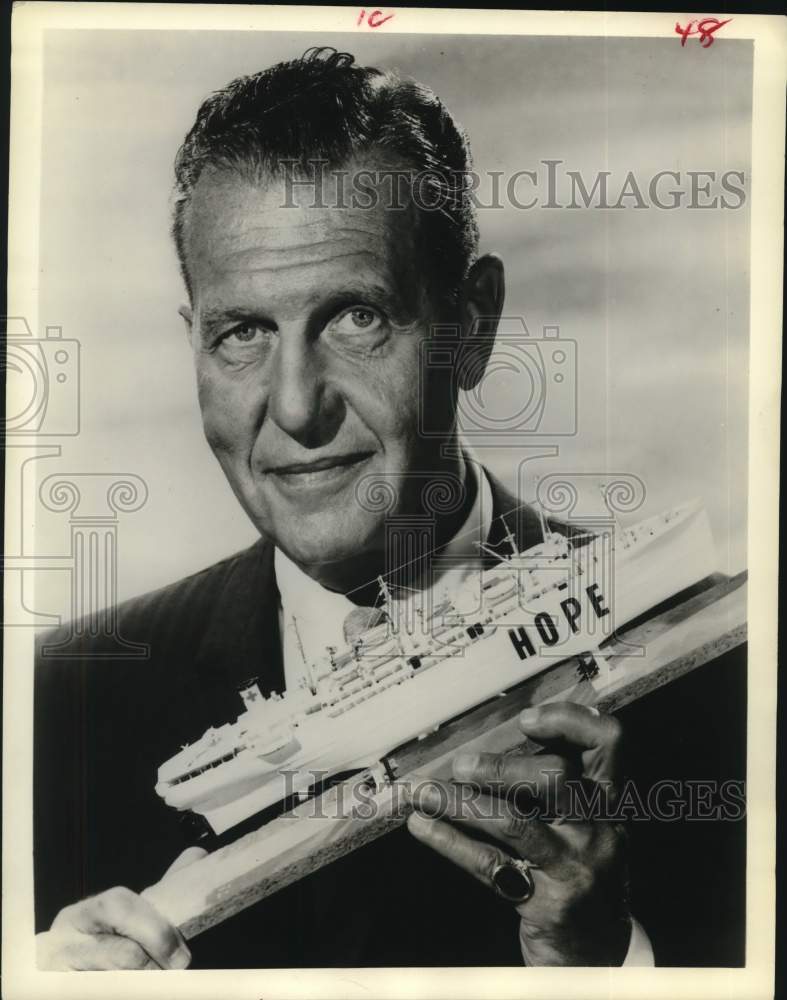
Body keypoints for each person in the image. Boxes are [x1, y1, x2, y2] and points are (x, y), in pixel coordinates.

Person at [34, 47, 743, 971]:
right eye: (243, 333)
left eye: (356, 318)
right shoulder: (60, 709)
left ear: (473, 324)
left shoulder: (728, 689)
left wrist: (600, 962)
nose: (295, 407)